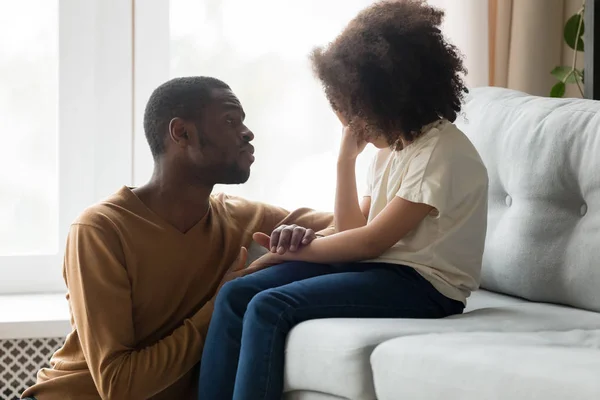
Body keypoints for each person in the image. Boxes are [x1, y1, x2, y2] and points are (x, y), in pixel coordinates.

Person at [197, 1, 489, 399]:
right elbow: (353, 230)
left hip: (425, 287)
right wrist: (345, 161)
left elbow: (370, 242)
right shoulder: (393, 150)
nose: (353, 126)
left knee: (270, 307)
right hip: (379, 270)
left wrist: (298, 252)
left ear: (390, 98)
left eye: (357, 114)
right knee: (235, 296)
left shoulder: (440, 152)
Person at [21, 77, 333, 400]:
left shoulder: (243, 218)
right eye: (230, 120)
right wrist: (220, 304)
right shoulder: (100, 230)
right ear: (181, 133)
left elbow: (356, 227)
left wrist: (305, 237)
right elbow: (119, 386)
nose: (248, 132)